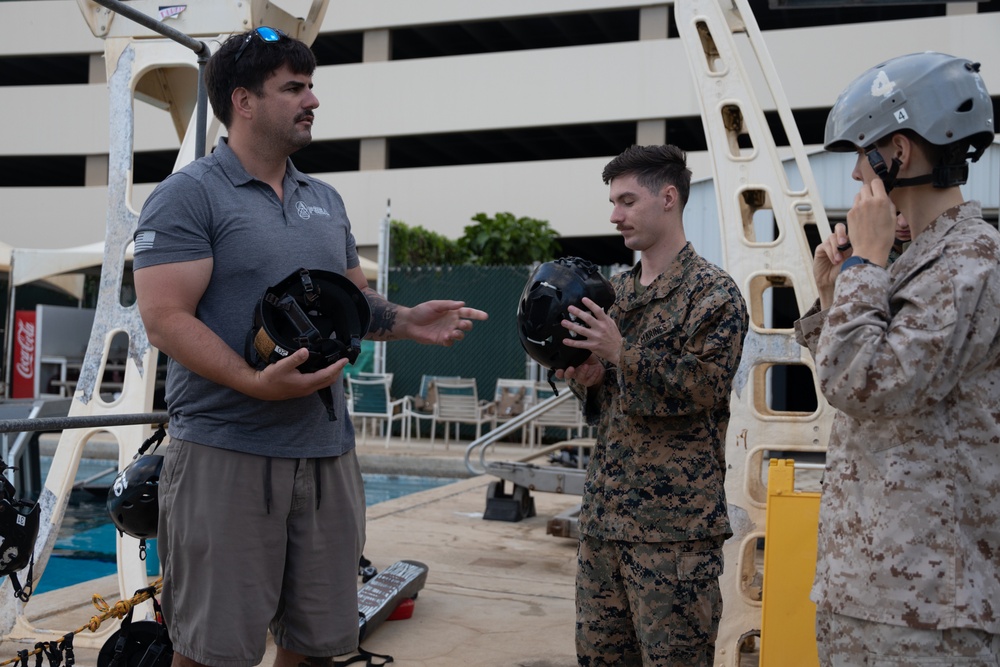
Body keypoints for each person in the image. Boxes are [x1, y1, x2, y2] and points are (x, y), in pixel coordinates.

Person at [131, 28, 487, 667]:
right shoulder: (188, 195)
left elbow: (352, 304)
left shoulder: (325, 199)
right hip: (225, 452)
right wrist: (252, 381)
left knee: (318, 645)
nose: (312, 100)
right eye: (294, 87)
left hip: (327, 455)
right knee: (213, 652)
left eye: (310, 85)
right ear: (243, 100)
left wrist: (406, 319)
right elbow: (165, 319)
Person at [794, 52, 1000, 664]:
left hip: (928, 614)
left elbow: (863, 384)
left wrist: (865, 265)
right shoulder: (917, 260)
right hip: (870, 592)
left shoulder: (970, 264)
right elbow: (855, 385)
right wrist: (836, 294)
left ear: (898, 154)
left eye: (863, 164)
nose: (858, 179)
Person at [557, 144, 749, 666]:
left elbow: (705, 386)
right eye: (613, 202)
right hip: (604, 526)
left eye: (626, 201)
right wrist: (590, 377)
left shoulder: (713, 294)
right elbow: (605, 403)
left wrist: (620, 352)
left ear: (668, 198)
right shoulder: (613, 293)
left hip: (675, 538)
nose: (615, 216)